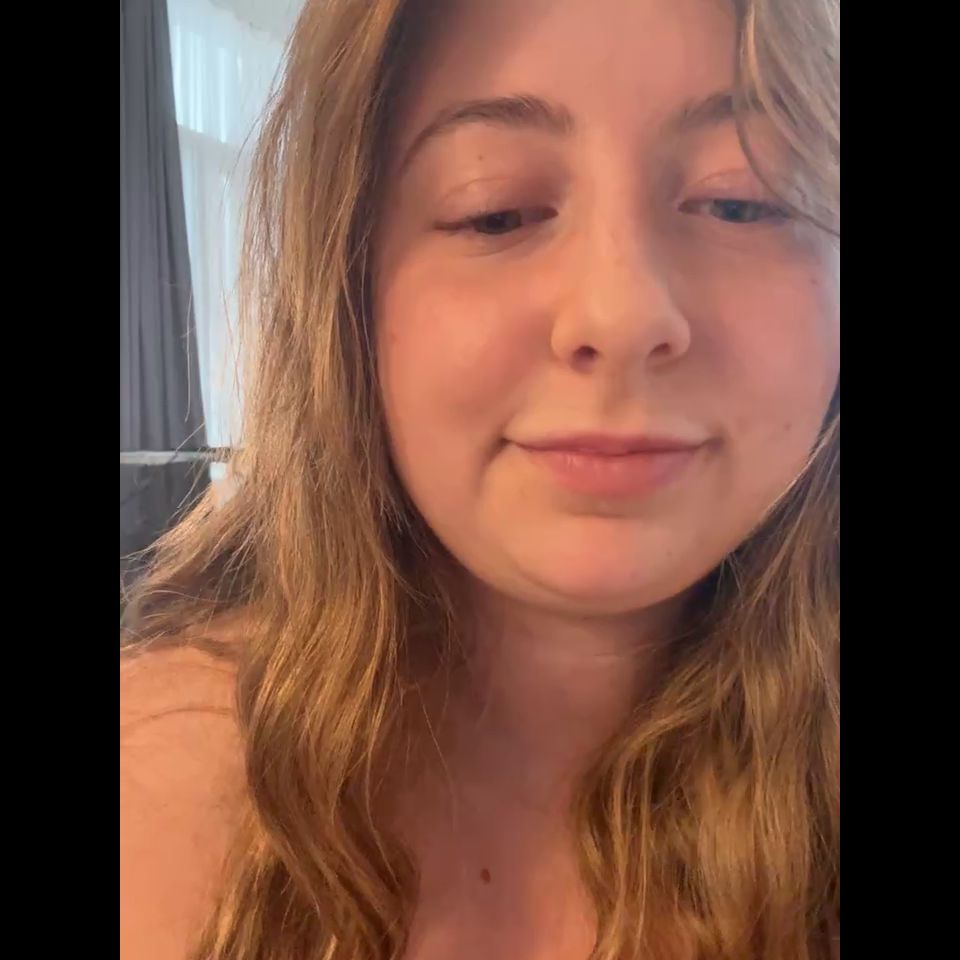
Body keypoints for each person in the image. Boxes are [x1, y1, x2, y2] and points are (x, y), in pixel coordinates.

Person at [120, 0, 840, 957]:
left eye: (740, 200)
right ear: (345, 293)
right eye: (493, 210)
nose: (623, 313)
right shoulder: (154, 798)